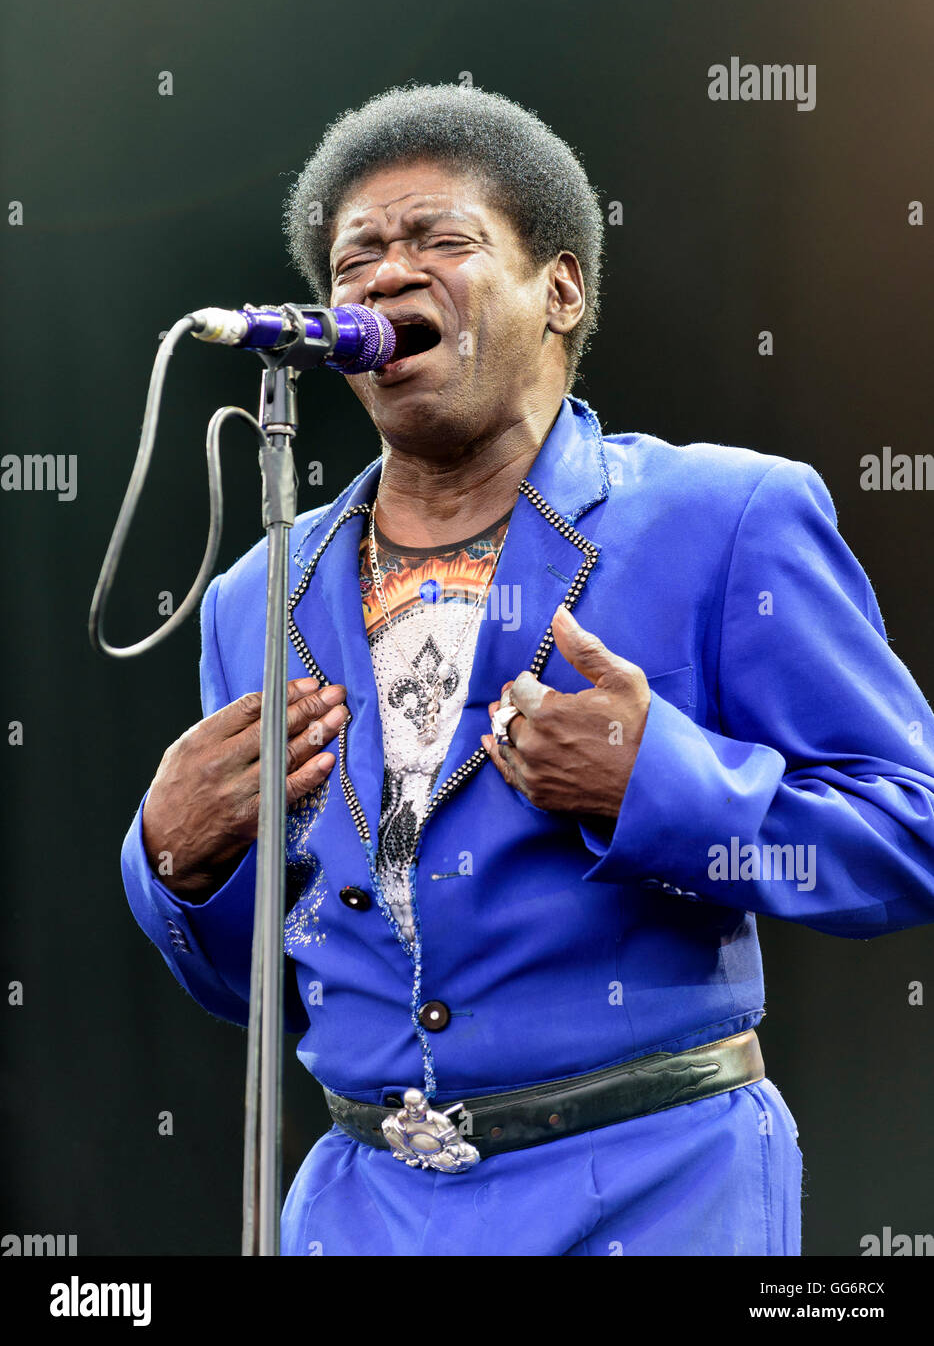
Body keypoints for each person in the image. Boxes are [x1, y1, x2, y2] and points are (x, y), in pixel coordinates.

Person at [121, 83, 934, 1256]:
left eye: (441, 240)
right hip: (362, 1210)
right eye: (358, 257)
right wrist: (174, 860)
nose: (387, 275)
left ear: (560, 288)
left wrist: (656, 780)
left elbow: (907, 830)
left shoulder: (726, 517)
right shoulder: (262, 589)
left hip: (654, 1190)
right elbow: (266, 987)